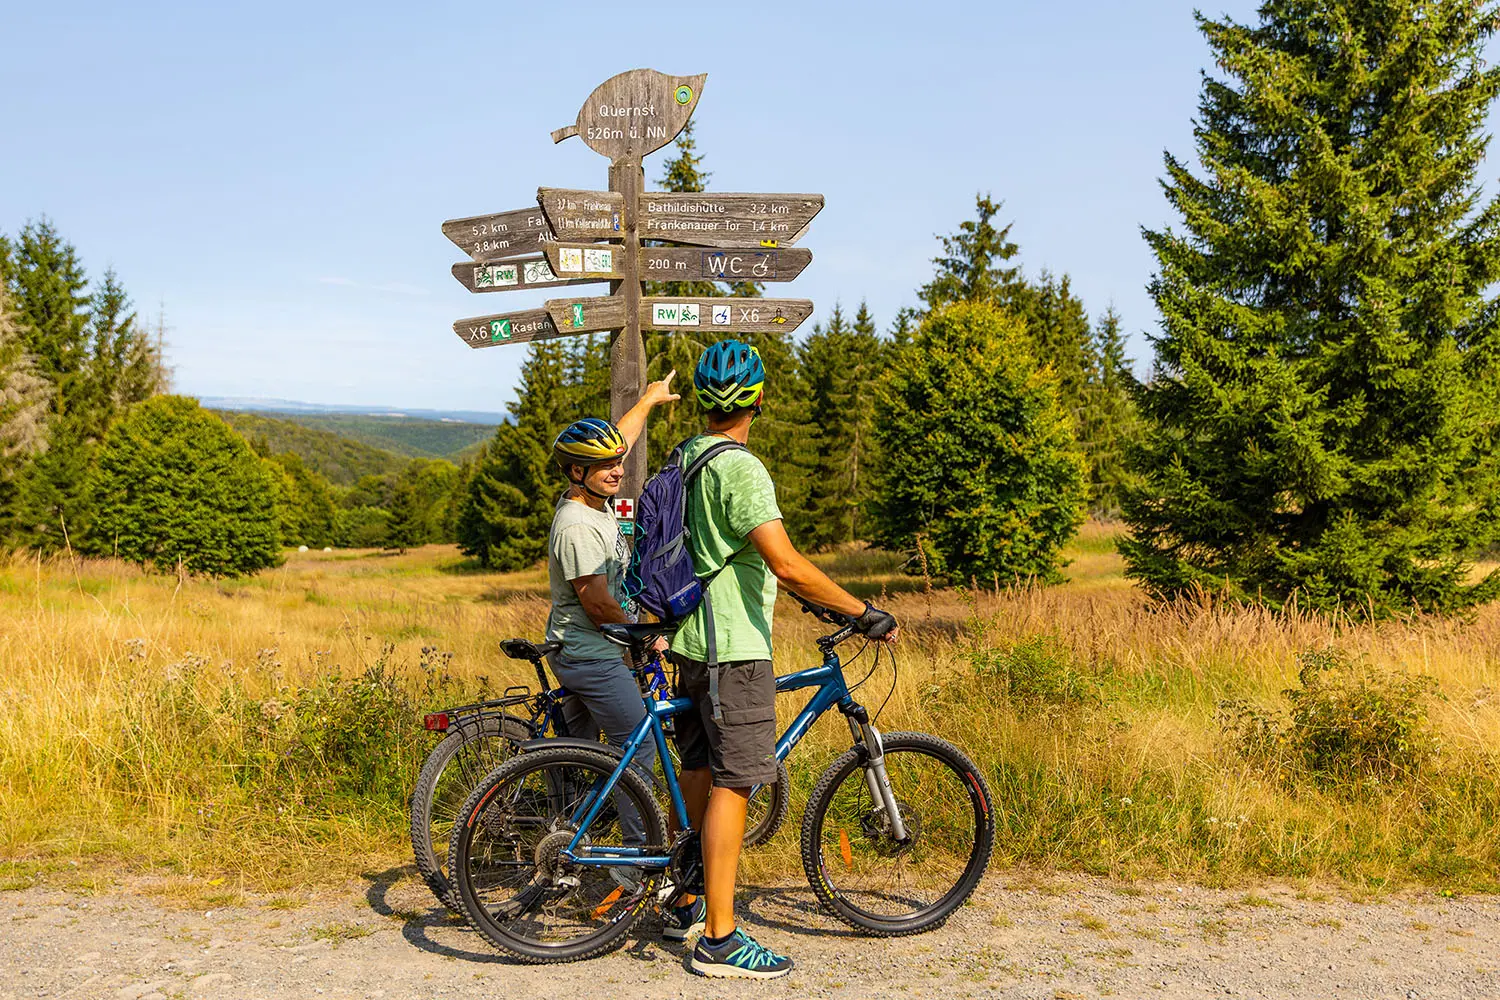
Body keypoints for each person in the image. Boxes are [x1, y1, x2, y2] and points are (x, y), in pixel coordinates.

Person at [663, 339, 900, 980]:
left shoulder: (686, 457)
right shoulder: (741, 468)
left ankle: (684, 899)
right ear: (758, 399)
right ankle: (721, 938)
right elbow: (787, 563)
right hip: (732, 648)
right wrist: (859, 611)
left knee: (700, 768)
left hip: (688, 642)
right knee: (736, 782)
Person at [544, 373, 678, 856]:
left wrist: (648, 400)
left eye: (617, 461)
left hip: (585, 649)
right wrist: (644, 636)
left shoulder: (592, 499)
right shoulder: (578, 524)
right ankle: (635, 860)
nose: (615, 468)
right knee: (637, 748)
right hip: (592, 655)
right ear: (576, 472)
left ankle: (569, 829)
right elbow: (598, 603)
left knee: (585, 756)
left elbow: (620, 436)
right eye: (602, 465)